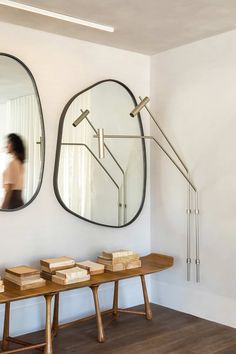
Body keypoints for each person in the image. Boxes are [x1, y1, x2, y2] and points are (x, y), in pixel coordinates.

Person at [1, 133, 25, 209]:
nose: (6, 146)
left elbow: (9, 190)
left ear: (13, 144)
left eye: (8, 143)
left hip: (12, 203)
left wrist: (3, 208)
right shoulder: (19, 163)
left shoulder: (13, 163)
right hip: (18, 203)